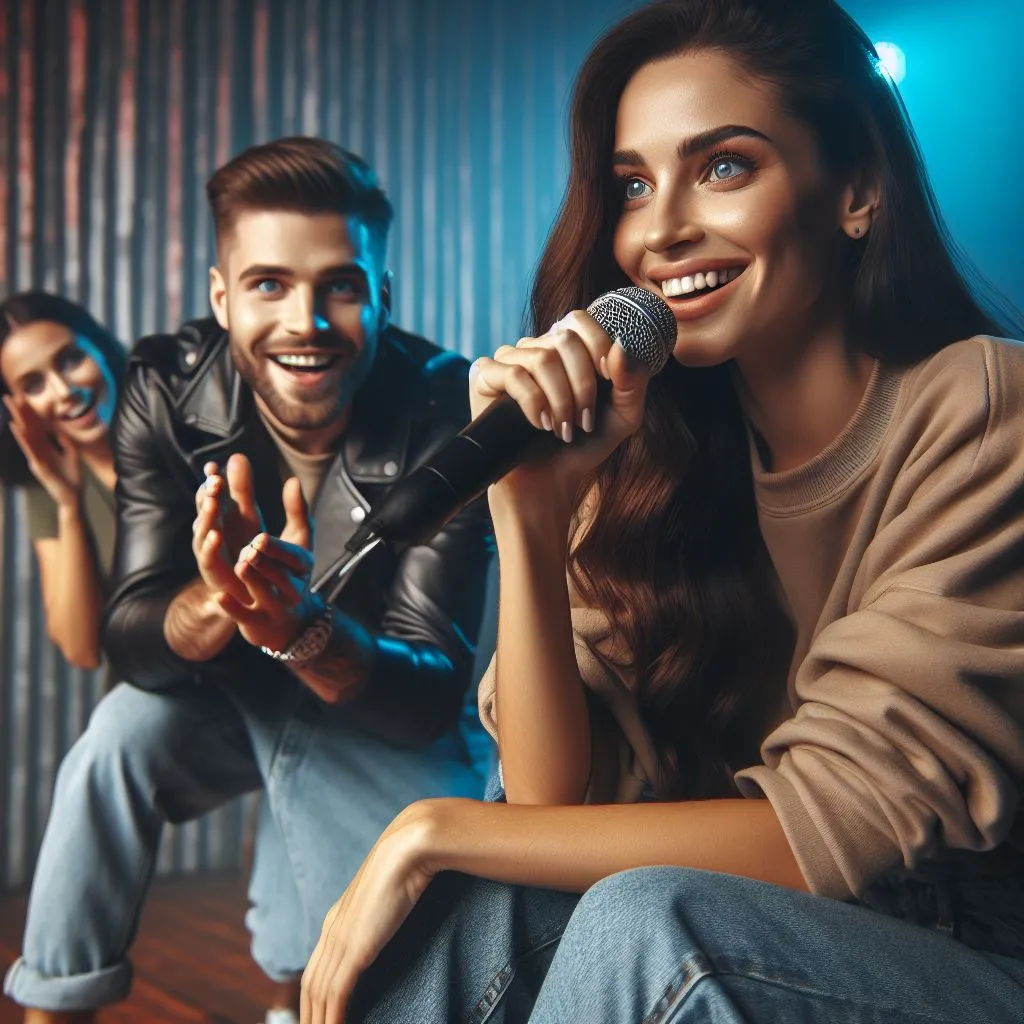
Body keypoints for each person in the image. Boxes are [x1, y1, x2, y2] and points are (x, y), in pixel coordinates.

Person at [296, 2, 1024, 1021]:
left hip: (981, 953)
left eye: (723, 166)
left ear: (855, 188)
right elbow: (553, 813)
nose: (661, 228)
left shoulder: (985, 403)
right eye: (633, 184)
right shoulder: (651, 450)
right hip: (776, 936)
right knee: (496, 894)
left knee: (645, 922)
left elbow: (832, 828)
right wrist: (533, 518)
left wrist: (429, 826)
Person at [3, 137, 494, 1024]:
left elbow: (425, 689)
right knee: (117, 734)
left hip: (374, 702)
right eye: (269, 284)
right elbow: (126, 638)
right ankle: (50, 1010)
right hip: (230, 696)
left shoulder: (444, 405)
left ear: (383, 293)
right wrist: (219, 600)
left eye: (340, 285)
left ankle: (289, 993)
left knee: (428, 954)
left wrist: (300, 627)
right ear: (222, 297)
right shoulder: (162, 385)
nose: (304, 321)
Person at [0, 292, 125, 669]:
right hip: (155, 687)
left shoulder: (176, 421)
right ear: (16, 407)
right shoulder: (48, 490)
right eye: (34, 385)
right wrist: (68, 505)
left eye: (71, 360)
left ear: (100, 348)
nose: (64, 392)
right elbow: (81, 650)